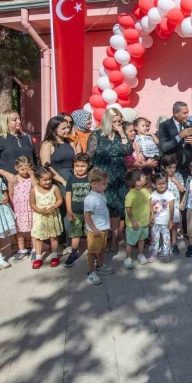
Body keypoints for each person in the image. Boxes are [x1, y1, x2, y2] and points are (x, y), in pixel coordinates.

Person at [87, 108, 133, 253]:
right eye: (115, 121)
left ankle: (113, 241)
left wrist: (122, 133)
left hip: (119, 176)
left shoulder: (121, 135)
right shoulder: (97, 134)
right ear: (108, 120)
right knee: (101, 209)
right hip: (103, 177)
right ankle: (101, 240)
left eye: (120, 121)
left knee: (116, 211)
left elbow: (128, 150)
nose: (118, 124)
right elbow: (90, 155)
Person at [40, 115, 79, 245]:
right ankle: (61, 241)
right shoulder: (47, 145)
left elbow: (76, 162)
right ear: (54, 129)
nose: (67, 130)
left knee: (73, 208)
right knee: (62, 209)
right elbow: (47, 166)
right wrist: (62, 181)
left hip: (71, 177)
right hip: (57, 179)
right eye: (63, 128)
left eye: (68, 127)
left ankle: (71, 239)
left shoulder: (70, 142)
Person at [0, 110, 36, 187]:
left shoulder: (27, 138)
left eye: (19, 119)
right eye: (14, 120)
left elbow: (36, 158)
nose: (19, 121)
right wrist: (6, 174)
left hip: (30, 181)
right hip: (10, 182)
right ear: (6, 122)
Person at [84, 168, 115, 283]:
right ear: (94, 184)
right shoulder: (90, 199)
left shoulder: (100, 194)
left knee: (101, 249)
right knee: (92, 251)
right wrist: (94, 229)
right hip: (95, 231)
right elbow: (87, 216)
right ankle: (91, 273)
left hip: (103, 228)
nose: (106, 186)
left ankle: (100, 265)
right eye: (104, 184)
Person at [30, 166, 64, 268]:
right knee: (39, 238)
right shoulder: (34, 190)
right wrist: (38, 210)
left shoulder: (54, 188)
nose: (48, 182)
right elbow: (32, 204)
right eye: (45, 180)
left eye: (49, 179)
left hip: (52, 216)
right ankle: (38, 257)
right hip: (40, 218)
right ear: (37, 180)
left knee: (53, 237)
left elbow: (60, 200)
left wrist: (54, 206)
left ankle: (54, 256)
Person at [63, 153, 92, 268]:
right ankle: (74, 253)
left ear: (88, 166)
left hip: (89, 212)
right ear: (73, 166)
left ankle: (92, 252)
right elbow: (68, 196)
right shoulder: (71, 179)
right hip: (75, 212)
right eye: (77, 166)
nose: (80, 168)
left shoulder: (91, 178)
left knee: (90, 233)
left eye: (83, 166)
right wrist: (69, 211)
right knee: (75, 234)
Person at [157, 102, 192, 179]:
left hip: (187, 165)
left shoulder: (190, 123)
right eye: (184, 113)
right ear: (176, 114)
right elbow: (163, 147)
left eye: (188, 112)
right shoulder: (164, 125)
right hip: (171, 166)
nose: (187, 115)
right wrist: (180, 136)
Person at [123, 169, 151, 268]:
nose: (145, 178)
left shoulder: (145, 191)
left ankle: (140, 254)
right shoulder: (130, 194)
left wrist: (152, 215)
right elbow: (128, 209)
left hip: (144, 222)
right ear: (137, 182)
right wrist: (133, 221)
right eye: (143, 177)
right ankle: (128, 258)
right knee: (130, 241)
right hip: (133, 224)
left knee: (142, 239)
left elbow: (149, 203)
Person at [9, 156, 34, 263]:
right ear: (16, 168)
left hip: (30, 207)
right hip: (19, 209)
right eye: (22, 169)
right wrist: (14, 206)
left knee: (32, 228)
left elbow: (35, 187)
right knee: (20, 230)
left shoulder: (31, 178)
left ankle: (33, 248)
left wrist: (32, 175)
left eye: (27, 169)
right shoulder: (13, 180)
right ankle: (22, 249)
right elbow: (11, 194)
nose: (25, 172)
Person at [161, 154, 185, 255]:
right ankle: (165, 244)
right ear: (164, 167)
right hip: (163, 206)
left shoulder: (178, 176)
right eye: (169, 167)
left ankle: (174, 244)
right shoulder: (161, 177)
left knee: (174, 226)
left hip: (175, 206)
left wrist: (176, 181)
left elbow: (182, 189)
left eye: (174, 167)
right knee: (164, 226)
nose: (172, 170)